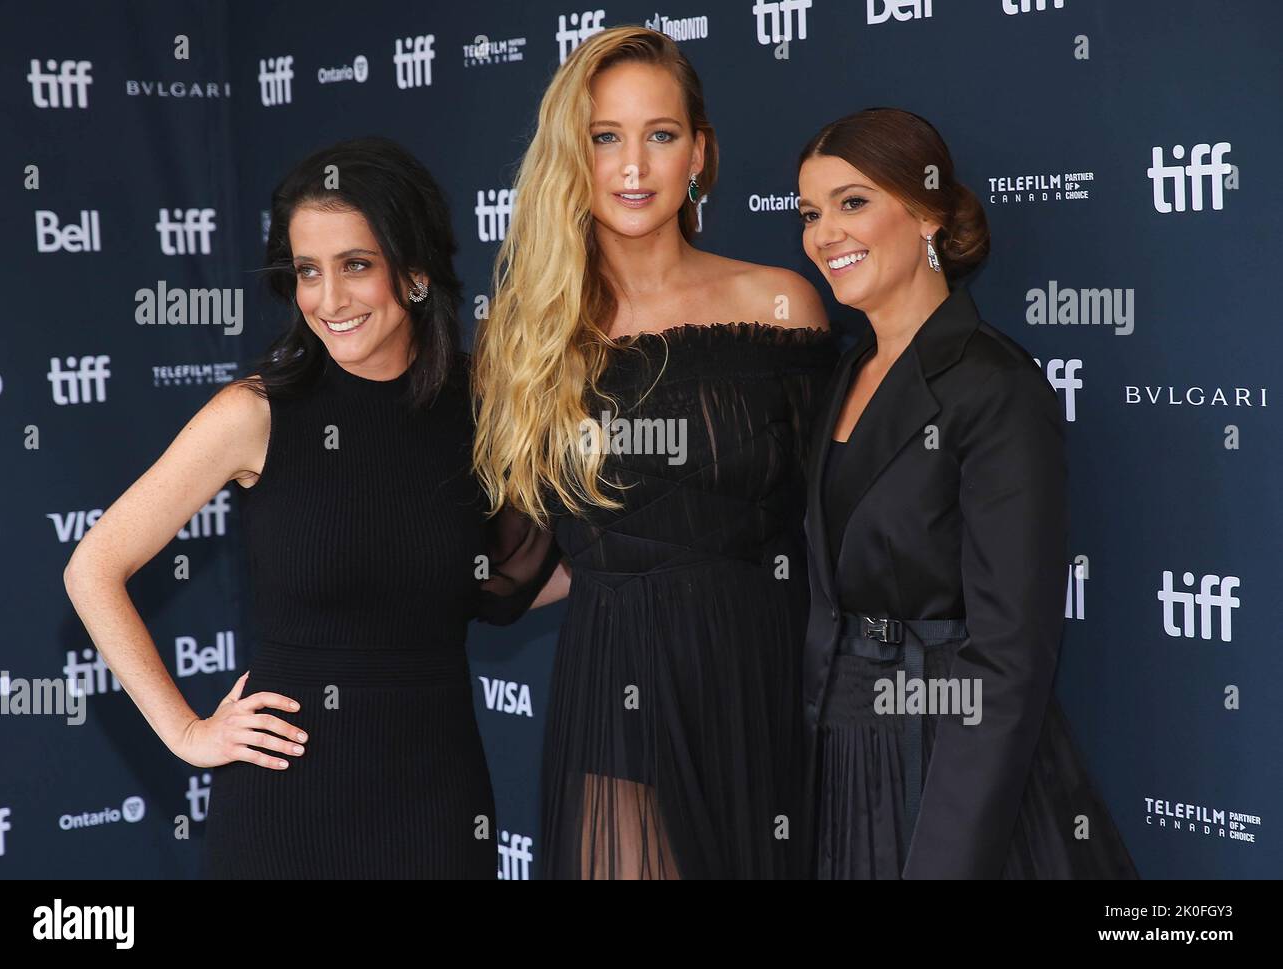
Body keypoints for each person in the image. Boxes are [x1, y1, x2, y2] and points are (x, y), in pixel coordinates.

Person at [63, 136, 557, 879]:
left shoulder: (482, 408)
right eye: (307, 272)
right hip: (285, 804)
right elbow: (93, 567)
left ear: (416, 270)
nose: (330, 299)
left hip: (439, 801)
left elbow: (514, 574)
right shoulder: (255, 413)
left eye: (356, 265)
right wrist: (188, 731)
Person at [472, 27, 837, 879]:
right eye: (606, 137)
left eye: (660, 135)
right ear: (574, 155)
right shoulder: (529, 342)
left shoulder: (782, 305)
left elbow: (837, 517)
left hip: (766, 675)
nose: (633, 166)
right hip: (618, 681)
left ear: (699, 153)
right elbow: (519, 562)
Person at [796, 107, 1138, 878]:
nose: (824, 233)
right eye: (811, 213)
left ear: (925, 213)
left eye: (853, 202)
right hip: (845, 759)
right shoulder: (844, 376)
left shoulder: (996, 385)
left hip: (949, 761)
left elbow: (1010, 650)